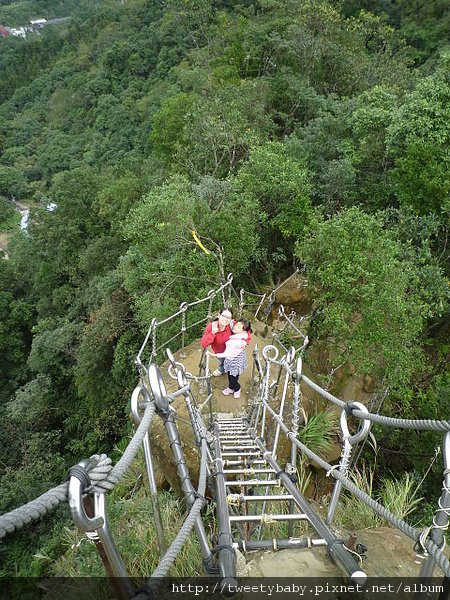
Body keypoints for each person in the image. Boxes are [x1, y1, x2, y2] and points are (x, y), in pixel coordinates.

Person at [215, 319, 252, 399]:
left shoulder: (237, 341)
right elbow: (237, 324)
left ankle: (237, 389)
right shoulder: (236, 331)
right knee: (231, 375)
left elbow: (227, 353)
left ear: (243, 331)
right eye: (236, 325)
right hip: (234, 359)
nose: (235, 327)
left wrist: (215, 355)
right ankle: (231, 388)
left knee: (233, 378)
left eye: (239, 327)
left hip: (235, 361)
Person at [201, 307, 234, 376]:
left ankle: (230, 370)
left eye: (228, 317)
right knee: (221, 362)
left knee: (232, 363)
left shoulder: (232, 325)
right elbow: (204, 344)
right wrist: (212, 333)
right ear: (219, 315)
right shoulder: (212, 327)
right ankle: (221, 370)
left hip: (232, 352)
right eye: (223, 316)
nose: (225, 319)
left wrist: (245, 342)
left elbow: (246, 330)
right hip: (220, 353)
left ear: (230, 319)